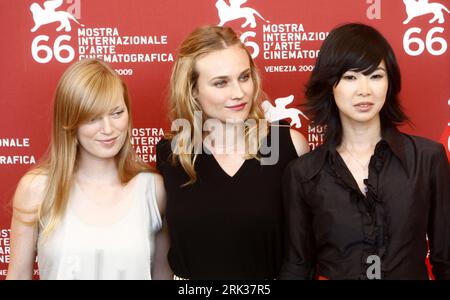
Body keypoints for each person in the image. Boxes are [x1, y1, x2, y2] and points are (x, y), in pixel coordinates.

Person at [279, 23, 450, 280]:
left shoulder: (428, 159)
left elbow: (445, 261)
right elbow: (298, 265)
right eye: (350, 77)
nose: (364, 90)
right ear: (329, 85)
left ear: (389, 82)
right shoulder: (303, 173)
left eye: (376, 76)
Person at [156, 25, 309, 279]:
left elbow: (307, 247)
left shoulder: (289, 147)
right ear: (193, 90)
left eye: (244, 77)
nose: (239, 93)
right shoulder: (170, 156)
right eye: (221, 83)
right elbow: (162, 251)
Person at [6, 59, 172, 280]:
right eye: (93, 118)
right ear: (69, 122)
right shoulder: (37, 189)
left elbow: (163, 275)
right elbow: (18, 275)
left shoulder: (152, 189)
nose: (108, 129)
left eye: (116, 113)